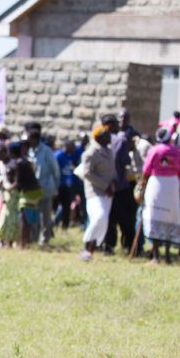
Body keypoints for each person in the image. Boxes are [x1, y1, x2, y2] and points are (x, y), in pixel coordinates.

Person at [136, 127, 180, 265]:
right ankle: (167, 257)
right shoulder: (177, 152)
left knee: (155, 216)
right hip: (172, 185)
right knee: (169, 217)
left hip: (156, 184)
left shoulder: (154, 150)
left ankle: (156, 257)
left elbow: (146, 170)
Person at [78, 125, 115, 261]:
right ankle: (85, 244)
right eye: (107, 135)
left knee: (103, 221)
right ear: (99, 137)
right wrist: (104, 185)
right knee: (99, 216)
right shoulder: (90, 153)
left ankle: (91, 249)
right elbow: (87, 173)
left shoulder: (109, 152)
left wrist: (113, 183)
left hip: (108, 191)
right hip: (95, 191)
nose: (110, 137)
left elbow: (111, 170)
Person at [103, 112, 138, 255]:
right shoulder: (120, 141)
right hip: (121, 186)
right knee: (126, 219)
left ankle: (108, 246)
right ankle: (129, 246)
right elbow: (125, 162)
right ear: (111, 125)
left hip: (106, 187)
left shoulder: (99, 141)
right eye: (116, 123)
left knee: (109, 218)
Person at [26, 124, 60, 244]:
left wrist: (56, 186)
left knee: (45, 215)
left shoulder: (46, 151)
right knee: (34, 214)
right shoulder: (29, 151)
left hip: (45, 188)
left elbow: (55, 169)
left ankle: (45, 239)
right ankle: (34, 236)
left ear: (35, 139)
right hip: (32, 190)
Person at [0, 144, 19, 248]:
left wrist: (10, 187)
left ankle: (11, 240)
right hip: (1, 194)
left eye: (1, 154)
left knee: (11, 219)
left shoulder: (13, 163)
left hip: (12, 194)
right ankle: (1, 239)